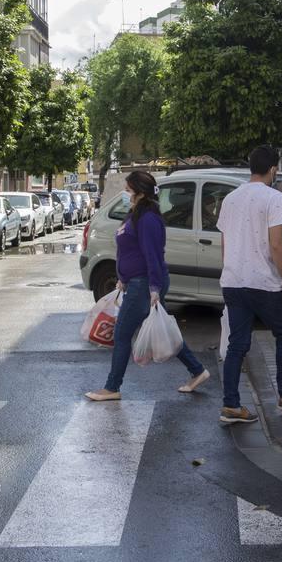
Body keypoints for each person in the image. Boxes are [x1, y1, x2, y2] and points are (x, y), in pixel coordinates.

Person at [85, 171, 209, 401]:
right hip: (137, 281)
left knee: (122, 334)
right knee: (163, 330)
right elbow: (130, 250)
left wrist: (153, 288)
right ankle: (198, 370)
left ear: (140, 192)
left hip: (144, 284)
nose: (125, 193)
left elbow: (152, 255)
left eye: (129, 189)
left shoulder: (148, 219)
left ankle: (112, 387)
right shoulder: (135, 214)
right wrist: (123, 277)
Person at [216, 145, 282, 425]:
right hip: (264, 282)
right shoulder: (273, 198)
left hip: (233, 281)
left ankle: (231, 406)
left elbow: (226, 244)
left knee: (237, 344)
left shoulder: (230, 199)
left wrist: (231, 271)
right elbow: (276, 244)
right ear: (273, 169)